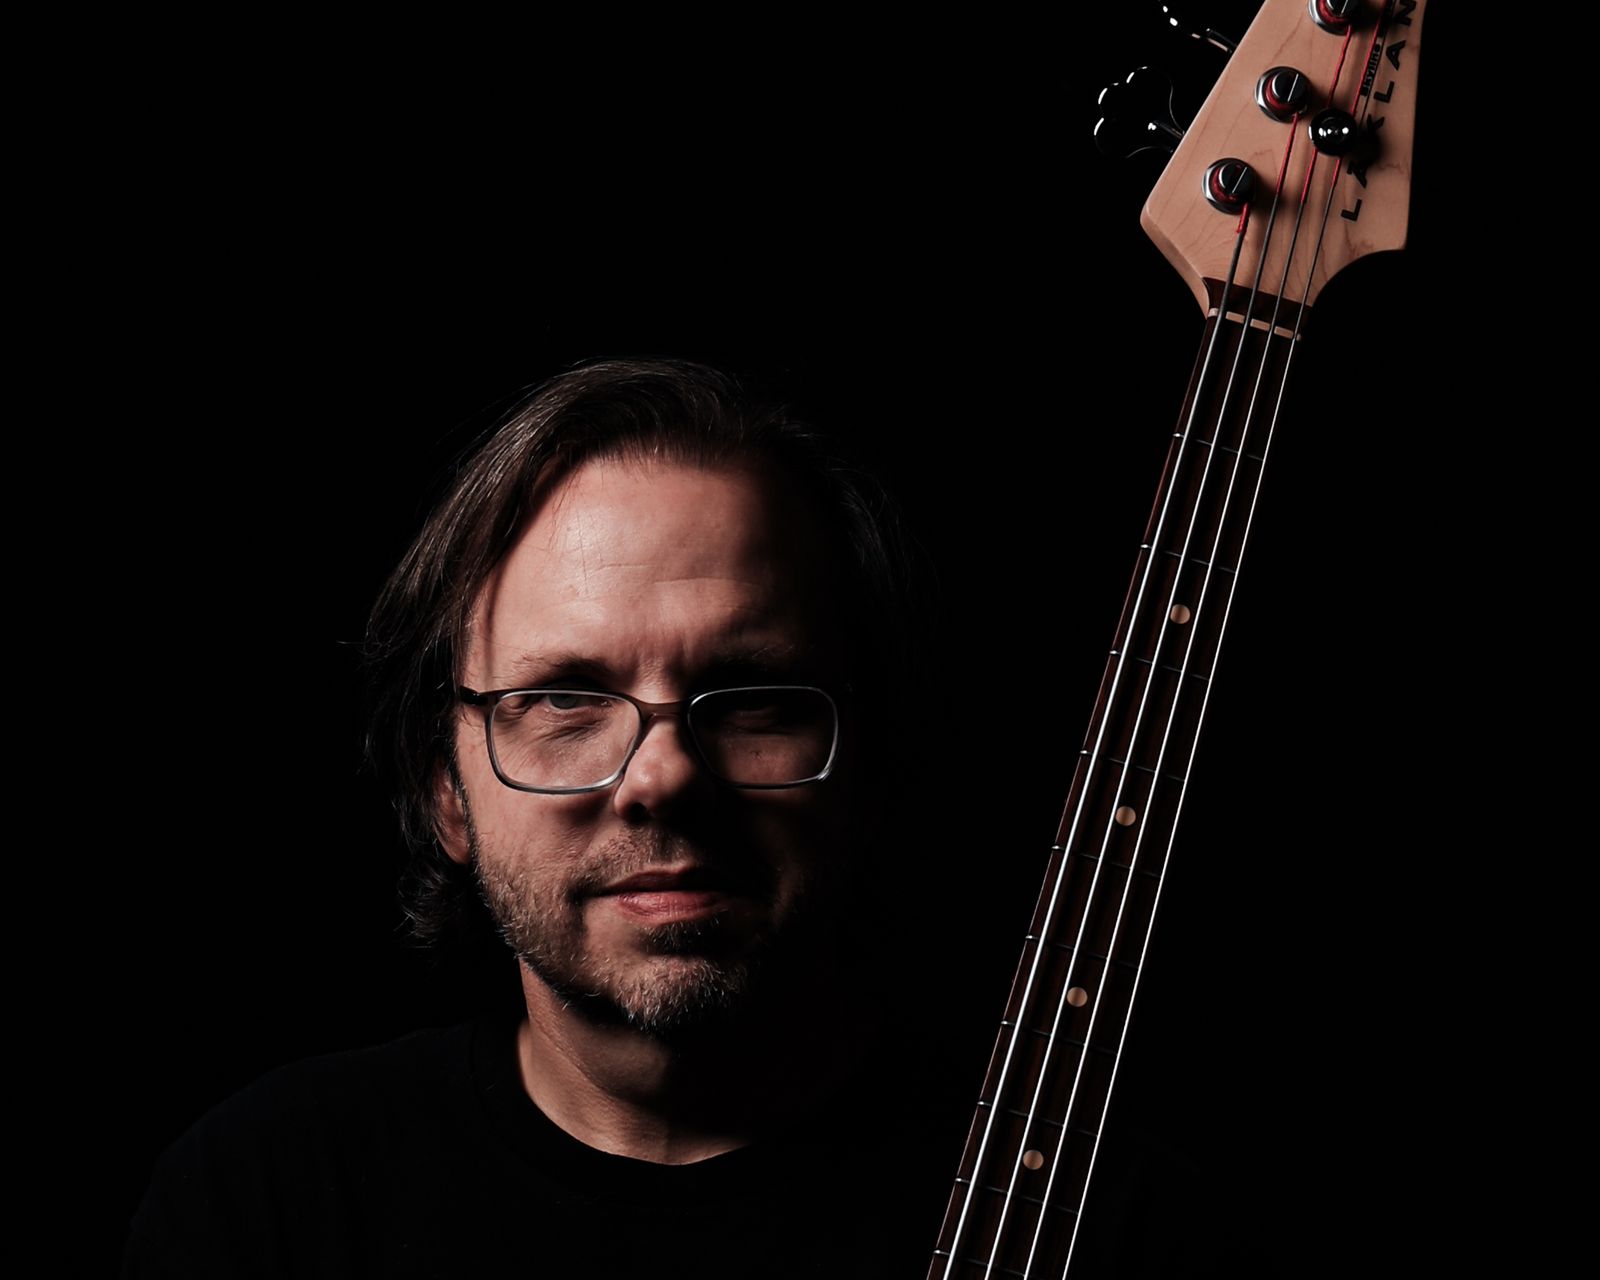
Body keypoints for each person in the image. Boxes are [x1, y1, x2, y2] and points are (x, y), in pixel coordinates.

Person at [124, 357, 965, 1279]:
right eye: (565, 699)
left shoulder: (1058, 1176)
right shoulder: (261, 1201)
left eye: (751, 696)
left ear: (870, 752)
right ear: (447, 791)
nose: (663, 778)